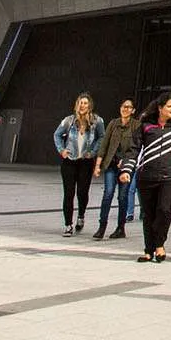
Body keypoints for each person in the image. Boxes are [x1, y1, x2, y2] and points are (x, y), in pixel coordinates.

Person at [119, 93, 171, 263]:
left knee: (164, 210)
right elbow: (133, 150)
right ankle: (148, 249)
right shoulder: (146, 126)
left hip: (170, 176)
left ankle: (160, 244)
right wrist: (126, 170)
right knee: (148, 213)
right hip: (146, 176)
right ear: (160, 108)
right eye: (170, 106)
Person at [53, 93, 103, 237]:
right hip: (69, 161)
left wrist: (93, 152)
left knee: (82, 192)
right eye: (80, 103)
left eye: (85, 103)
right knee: (68, 193)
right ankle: (68, 225)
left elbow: (102, 136)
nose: (82, 106)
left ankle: (81, 215)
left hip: (86, 162)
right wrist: (61, 150)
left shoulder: (97, 121)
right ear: (77, 105)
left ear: (90, 105)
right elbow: (57, 134)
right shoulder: (69, 121)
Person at [91, 98, 139, 240]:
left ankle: (120, 228)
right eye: (123, 106)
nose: (125, 109)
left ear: (133, 110)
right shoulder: (113, 123)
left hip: (126, 167)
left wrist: (126, 162)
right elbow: (104, 144)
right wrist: (98, 165)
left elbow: (137, 147)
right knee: (108, 194)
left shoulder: (136, 125)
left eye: (129, 107)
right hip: (111, 164)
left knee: (123, 196)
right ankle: (102, 226)